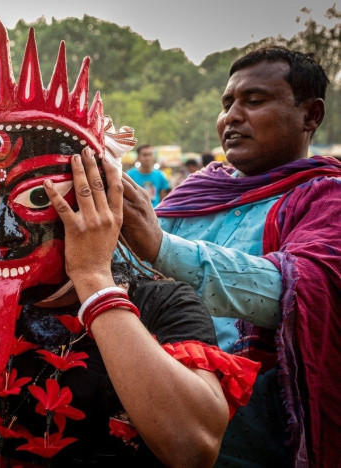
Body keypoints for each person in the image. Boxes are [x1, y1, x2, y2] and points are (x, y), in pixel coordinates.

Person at [0, 19, 259, 467]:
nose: (0, 232)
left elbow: (194, 449)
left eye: (35, 197)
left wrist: (92, 279)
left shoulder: (163, 303)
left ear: (94, 198)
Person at [120, 46, 341, 467]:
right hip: (158, 417)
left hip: (259, 442)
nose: (231, 117)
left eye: (253, 101)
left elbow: (294, 292)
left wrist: (163, 249)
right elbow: (132, 275)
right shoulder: (194, 193)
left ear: (311, 115)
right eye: (227, 103)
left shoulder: (326, 200)